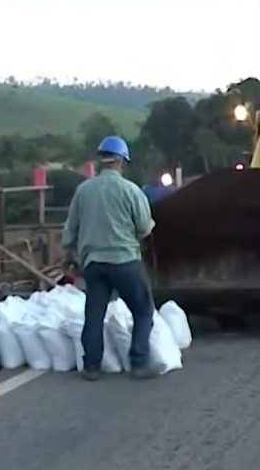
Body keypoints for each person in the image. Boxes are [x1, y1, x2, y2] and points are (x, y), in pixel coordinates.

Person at [61, 135, 160, 380]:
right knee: (143, 310)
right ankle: (138, 363)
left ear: (101, 161)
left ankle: (92, 367)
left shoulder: (83, 191)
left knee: (94, 314)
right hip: (124, 261)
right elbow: (145, 227)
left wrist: (69, 256)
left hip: (93, 263)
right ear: (122, 162)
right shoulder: (131, 190)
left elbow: (70, 231)